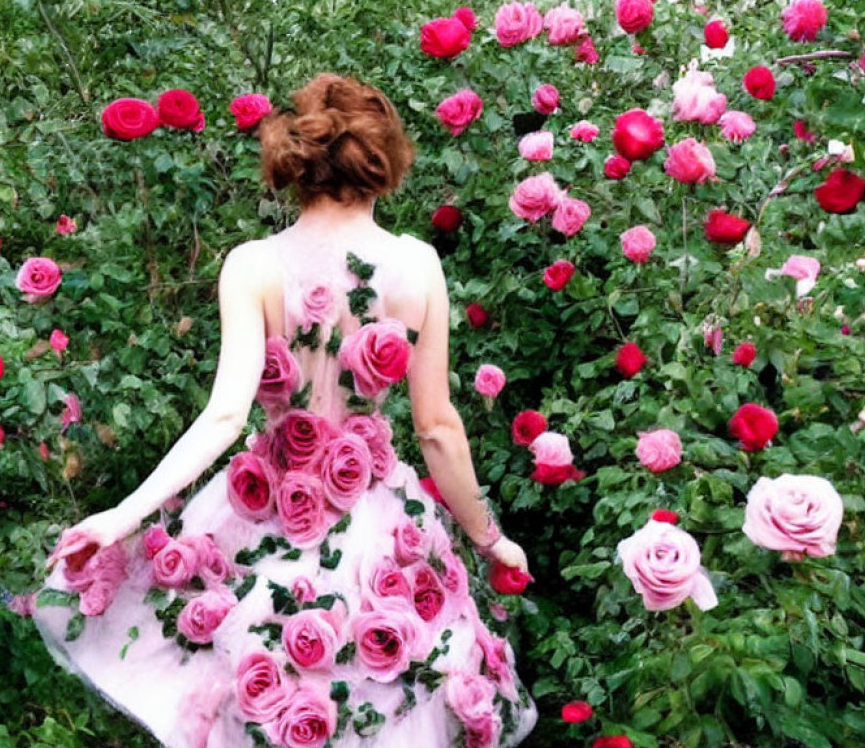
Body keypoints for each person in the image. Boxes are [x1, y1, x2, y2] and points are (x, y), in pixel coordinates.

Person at [36, 73, 537, 748]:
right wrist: (488, 537)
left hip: (259, 518)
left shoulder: (254, 264)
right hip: (381, 532)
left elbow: (223, 418)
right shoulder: (417, 267)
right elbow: (437, 428)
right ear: (380, 160)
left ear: (295, 161)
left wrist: (123, 517)